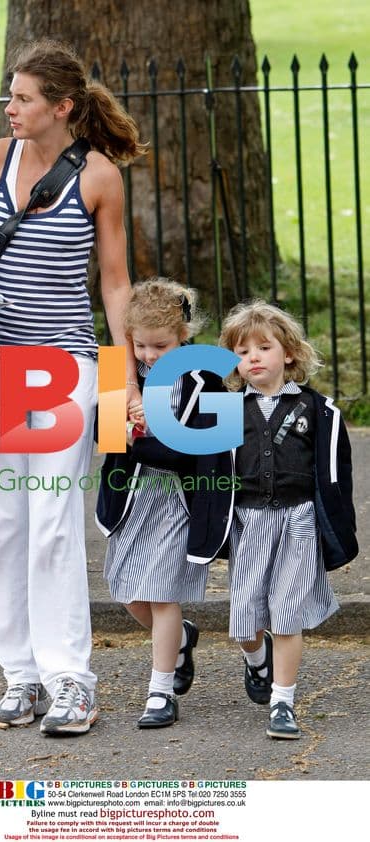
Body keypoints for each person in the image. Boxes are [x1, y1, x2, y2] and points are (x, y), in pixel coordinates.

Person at [0, 38, 145, 736]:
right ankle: (20, 675)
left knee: (52, 523)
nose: (9, 107)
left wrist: (126, 378)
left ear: (61, 106)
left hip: (60, 366)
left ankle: (70, 682)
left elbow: (114, 284)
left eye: (23, 98)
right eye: (8, 96)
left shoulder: (98, 179)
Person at [96, 279, 235, 728]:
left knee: (161, 595)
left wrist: (146, 435)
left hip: (179, 503)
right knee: (130, 594)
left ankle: (160, 692)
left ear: (185, 337)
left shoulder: (207, 381)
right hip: (133, 499)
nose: (151, 355)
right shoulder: (123, 375)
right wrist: (120, 418)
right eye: (141, 346)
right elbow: (108, 440)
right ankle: (180, 640)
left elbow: (201, 452)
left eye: (162, 346)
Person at [219, 300, 358, 739]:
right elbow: (211, 471)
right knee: (245, 621)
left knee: (287, 615)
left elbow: (337, 473)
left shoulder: (316, 409)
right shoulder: (225, 410)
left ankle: (283, 702)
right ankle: (256, 659)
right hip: (248, 520)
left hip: (298, 520)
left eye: (263, 347)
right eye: (242, 351)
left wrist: (334, 528)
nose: (253, 358)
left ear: (289, 354)